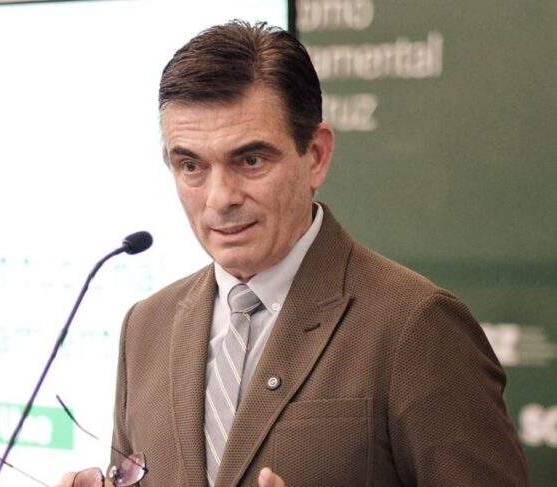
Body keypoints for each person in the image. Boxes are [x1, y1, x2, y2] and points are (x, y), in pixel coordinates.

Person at [58, 20, 528, 487]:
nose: (219, 199)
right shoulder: (146, 326)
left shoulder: (415, 325)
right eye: (191, 166)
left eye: (250, 160)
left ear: (316, 155)